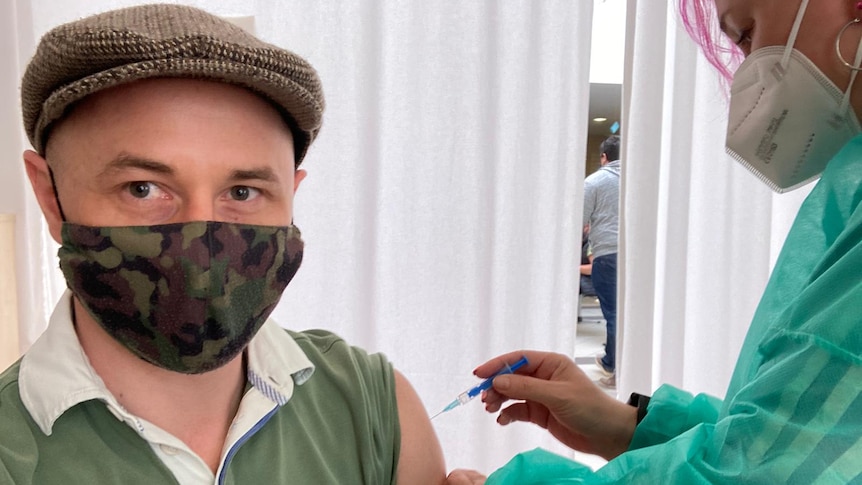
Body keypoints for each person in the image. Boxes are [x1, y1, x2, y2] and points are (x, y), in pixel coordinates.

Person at [0, 5, 445, 484]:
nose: (201, 244)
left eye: (242, 193)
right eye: (143, 188)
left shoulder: (372, 408)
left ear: (290, 198)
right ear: (50, 197)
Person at [446, 0, 862, 482]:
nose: (748, 69)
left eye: (745, 33)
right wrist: (626, 426)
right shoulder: (846, 194)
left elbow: (758, 472)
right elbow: (798, 436)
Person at [582, 135, 620, 387]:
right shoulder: (643, 177)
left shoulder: (594, 181)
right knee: (631, 313)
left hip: (607, 254)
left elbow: (580, 218)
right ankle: (617, 362)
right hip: (636, 257)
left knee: (613, 313)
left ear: (604, 157)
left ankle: (615, 366)